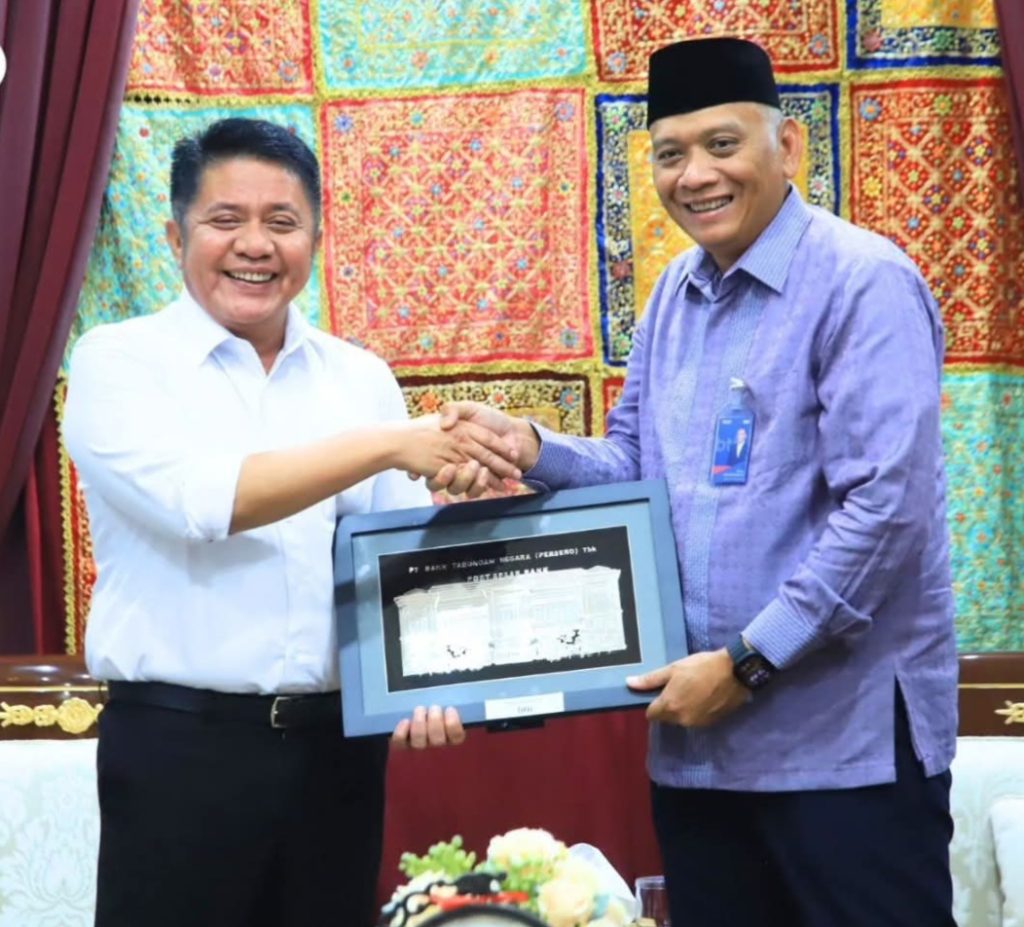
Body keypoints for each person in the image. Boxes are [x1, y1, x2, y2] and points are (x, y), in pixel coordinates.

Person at [431, 37, 958, 927]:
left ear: (787, 146)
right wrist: (528, 447)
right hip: (700, 749)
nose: (696, 175)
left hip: (843, 751)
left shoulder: (862, 283)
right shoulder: (675, 294)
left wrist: (748, 663)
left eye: (722, 144)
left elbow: (886, 513)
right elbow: (635, 469)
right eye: (671, 153)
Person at [63, 118, 521, 927]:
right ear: (175, 235)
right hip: (180, 749)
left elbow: (399, 565)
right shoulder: (117, 361)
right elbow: (206, 503)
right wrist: (390, 443)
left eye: (281, 221)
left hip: (335, 755)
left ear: (315, 237)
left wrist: (431, 679)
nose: (255, 244)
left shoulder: (359, 377)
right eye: (225, 219)